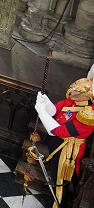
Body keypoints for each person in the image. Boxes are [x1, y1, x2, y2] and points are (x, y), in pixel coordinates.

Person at [34, 77, 94, 207]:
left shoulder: (88, 115)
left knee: (61, 180)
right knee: (56, 176)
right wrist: (45, 102)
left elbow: (59, 131)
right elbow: (56, 111)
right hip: (59, 146)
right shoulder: (72, 101)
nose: (71, 92)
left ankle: (58, 204)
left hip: (68, 151)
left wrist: (41, 112)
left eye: (76, 92)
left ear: (86, 96)